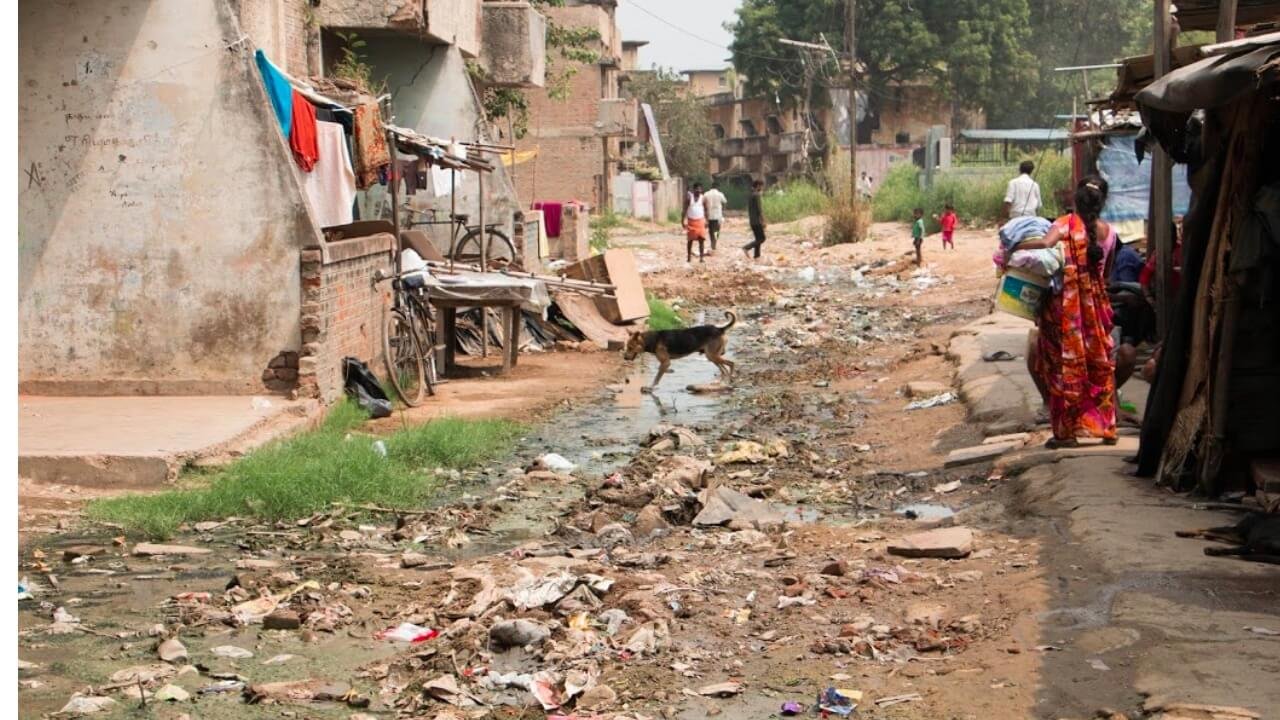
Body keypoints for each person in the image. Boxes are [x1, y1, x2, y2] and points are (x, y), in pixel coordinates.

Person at [1020, 175, 1118, 448]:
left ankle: (1067, 432)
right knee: (1098, 364)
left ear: (1076, 198)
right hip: (1096, 308)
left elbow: (1044, 245)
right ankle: (1105, 427)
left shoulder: (1063, 225)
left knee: (1063, 367)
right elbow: (1105, 274)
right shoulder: (1108, 232)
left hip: (1066, 310)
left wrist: (1015, 247)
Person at [683, 182, 708, 263]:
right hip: (691, 222)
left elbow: (706, 210)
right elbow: (684, 210)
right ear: (694, 189)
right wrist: (682, 220)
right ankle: (689, 257)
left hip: (700, 221)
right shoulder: (689, 198)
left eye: (700, 189)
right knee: (690, 240)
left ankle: (701, 258)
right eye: (697, 189)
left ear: (701, 190)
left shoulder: (703, 198)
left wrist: (707, 220)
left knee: (701, 240)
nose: (698, 190)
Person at [742, 179, 767, 260]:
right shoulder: (756, 195)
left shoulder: (751, 195)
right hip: (757, 221)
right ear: (758, 186)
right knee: (762, 238)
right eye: (762, 186)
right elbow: (759, 210)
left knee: (758, 239)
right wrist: (763, 221)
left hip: (752, 221)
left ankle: (757, 256)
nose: (762, 188)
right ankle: (746, 247)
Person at [703, 181, 726, 253]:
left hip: (709, 215)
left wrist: (704, 213)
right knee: (717, 230)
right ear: (717, 187)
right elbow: (724, 202)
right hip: (718, 215)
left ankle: (712, 241)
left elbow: (703, 203)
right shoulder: (720, 194)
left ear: (711, 187)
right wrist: (723, 211)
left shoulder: (706, 194)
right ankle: (714, 243)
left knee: (711, 230)